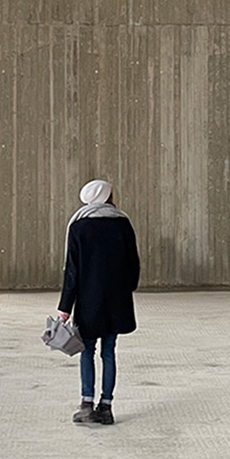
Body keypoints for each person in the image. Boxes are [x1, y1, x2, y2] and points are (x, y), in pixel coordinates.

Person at [58, 179, 140, 426]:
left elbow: (71, 271)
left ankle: (85, 404)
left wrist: (65, 307)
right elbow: (133, 264)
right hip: (116, 300)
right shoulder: (122, 223)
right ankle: (106, 407)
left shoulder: (79, 227)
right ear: (108, 197)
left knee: (86, 351)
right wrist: (127, 289)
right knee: (108, 352)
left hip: (88, 302)